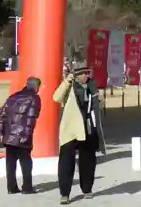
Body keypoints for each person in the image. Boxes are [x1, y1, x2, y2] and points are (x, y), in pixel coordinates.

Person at [53, 63, 106, 205]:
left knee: (88, 161)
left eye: (87, 73)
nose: (86, 76)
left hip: (88, 128)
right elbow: (56, 97)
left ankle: (87, 189)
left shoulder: (92, 87)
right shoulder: (69, 86)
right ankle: (65, 193)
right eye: (83, 73)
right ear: (76, 76)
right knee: (66, 163)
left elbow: (98, 106)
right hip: (71, 129)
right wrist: (67, 81)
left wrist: (100, 100)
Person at [0, 77, 42, 195]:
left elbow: (2, 115)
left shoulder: (13, 97)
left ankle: (11, 187)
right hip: (22, 135)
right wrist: (26, 133)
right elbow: (31, 118)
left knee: (10, 162)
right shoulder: (34, 98)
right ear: (37, 87)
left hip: (9, 134)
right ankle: (27, 187)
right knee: (25, 161)